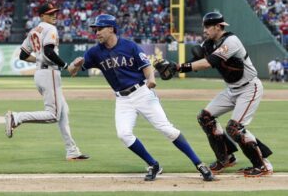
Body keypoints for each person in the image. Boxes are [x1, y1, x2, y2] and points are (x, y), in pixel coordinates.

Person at [69, 14, 214, 181]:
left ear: (111, 29)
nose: (96, 32)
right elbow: (72, 72)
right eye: (95, 29)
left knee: (167, 129)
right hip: (122, 99)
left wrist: (151, 80)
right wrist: (75, 65)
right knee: (123, 134)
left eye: (99, 28)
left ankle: (199, 164)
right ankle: (153, 164)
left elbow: (146, 66)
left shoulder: (129, 46)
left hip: (142, 93)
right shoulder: (94, 52)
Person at [155, 12, 273, 177]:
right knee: (205, 117)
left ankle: (262, 166)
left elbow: (209, 62)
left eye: (207, 27)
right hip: (232, 89)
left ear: (218, 26)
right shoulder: (209, 43)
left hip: (249, 88)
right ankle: (225, 158)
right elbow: (198, 60)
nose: (204, 30)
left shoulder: (231, 41)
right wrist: (177, 67)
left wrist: (179, 67)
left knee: (235, 128)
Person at [4, 3, 89, 161]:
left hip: (40, 72)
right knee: (53, 115)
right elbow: (49, 51)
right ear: (42, 16)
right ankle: (17, 117)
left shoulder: (34, 31)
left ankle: (72, 150)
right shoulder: (50, 29)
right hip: (49, 73)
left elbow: (23, 55)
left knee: (63, 113)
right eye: (50, 14)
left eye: (55, 13)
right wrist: (66, 66)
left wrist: (39, 60)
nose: (54, 16)